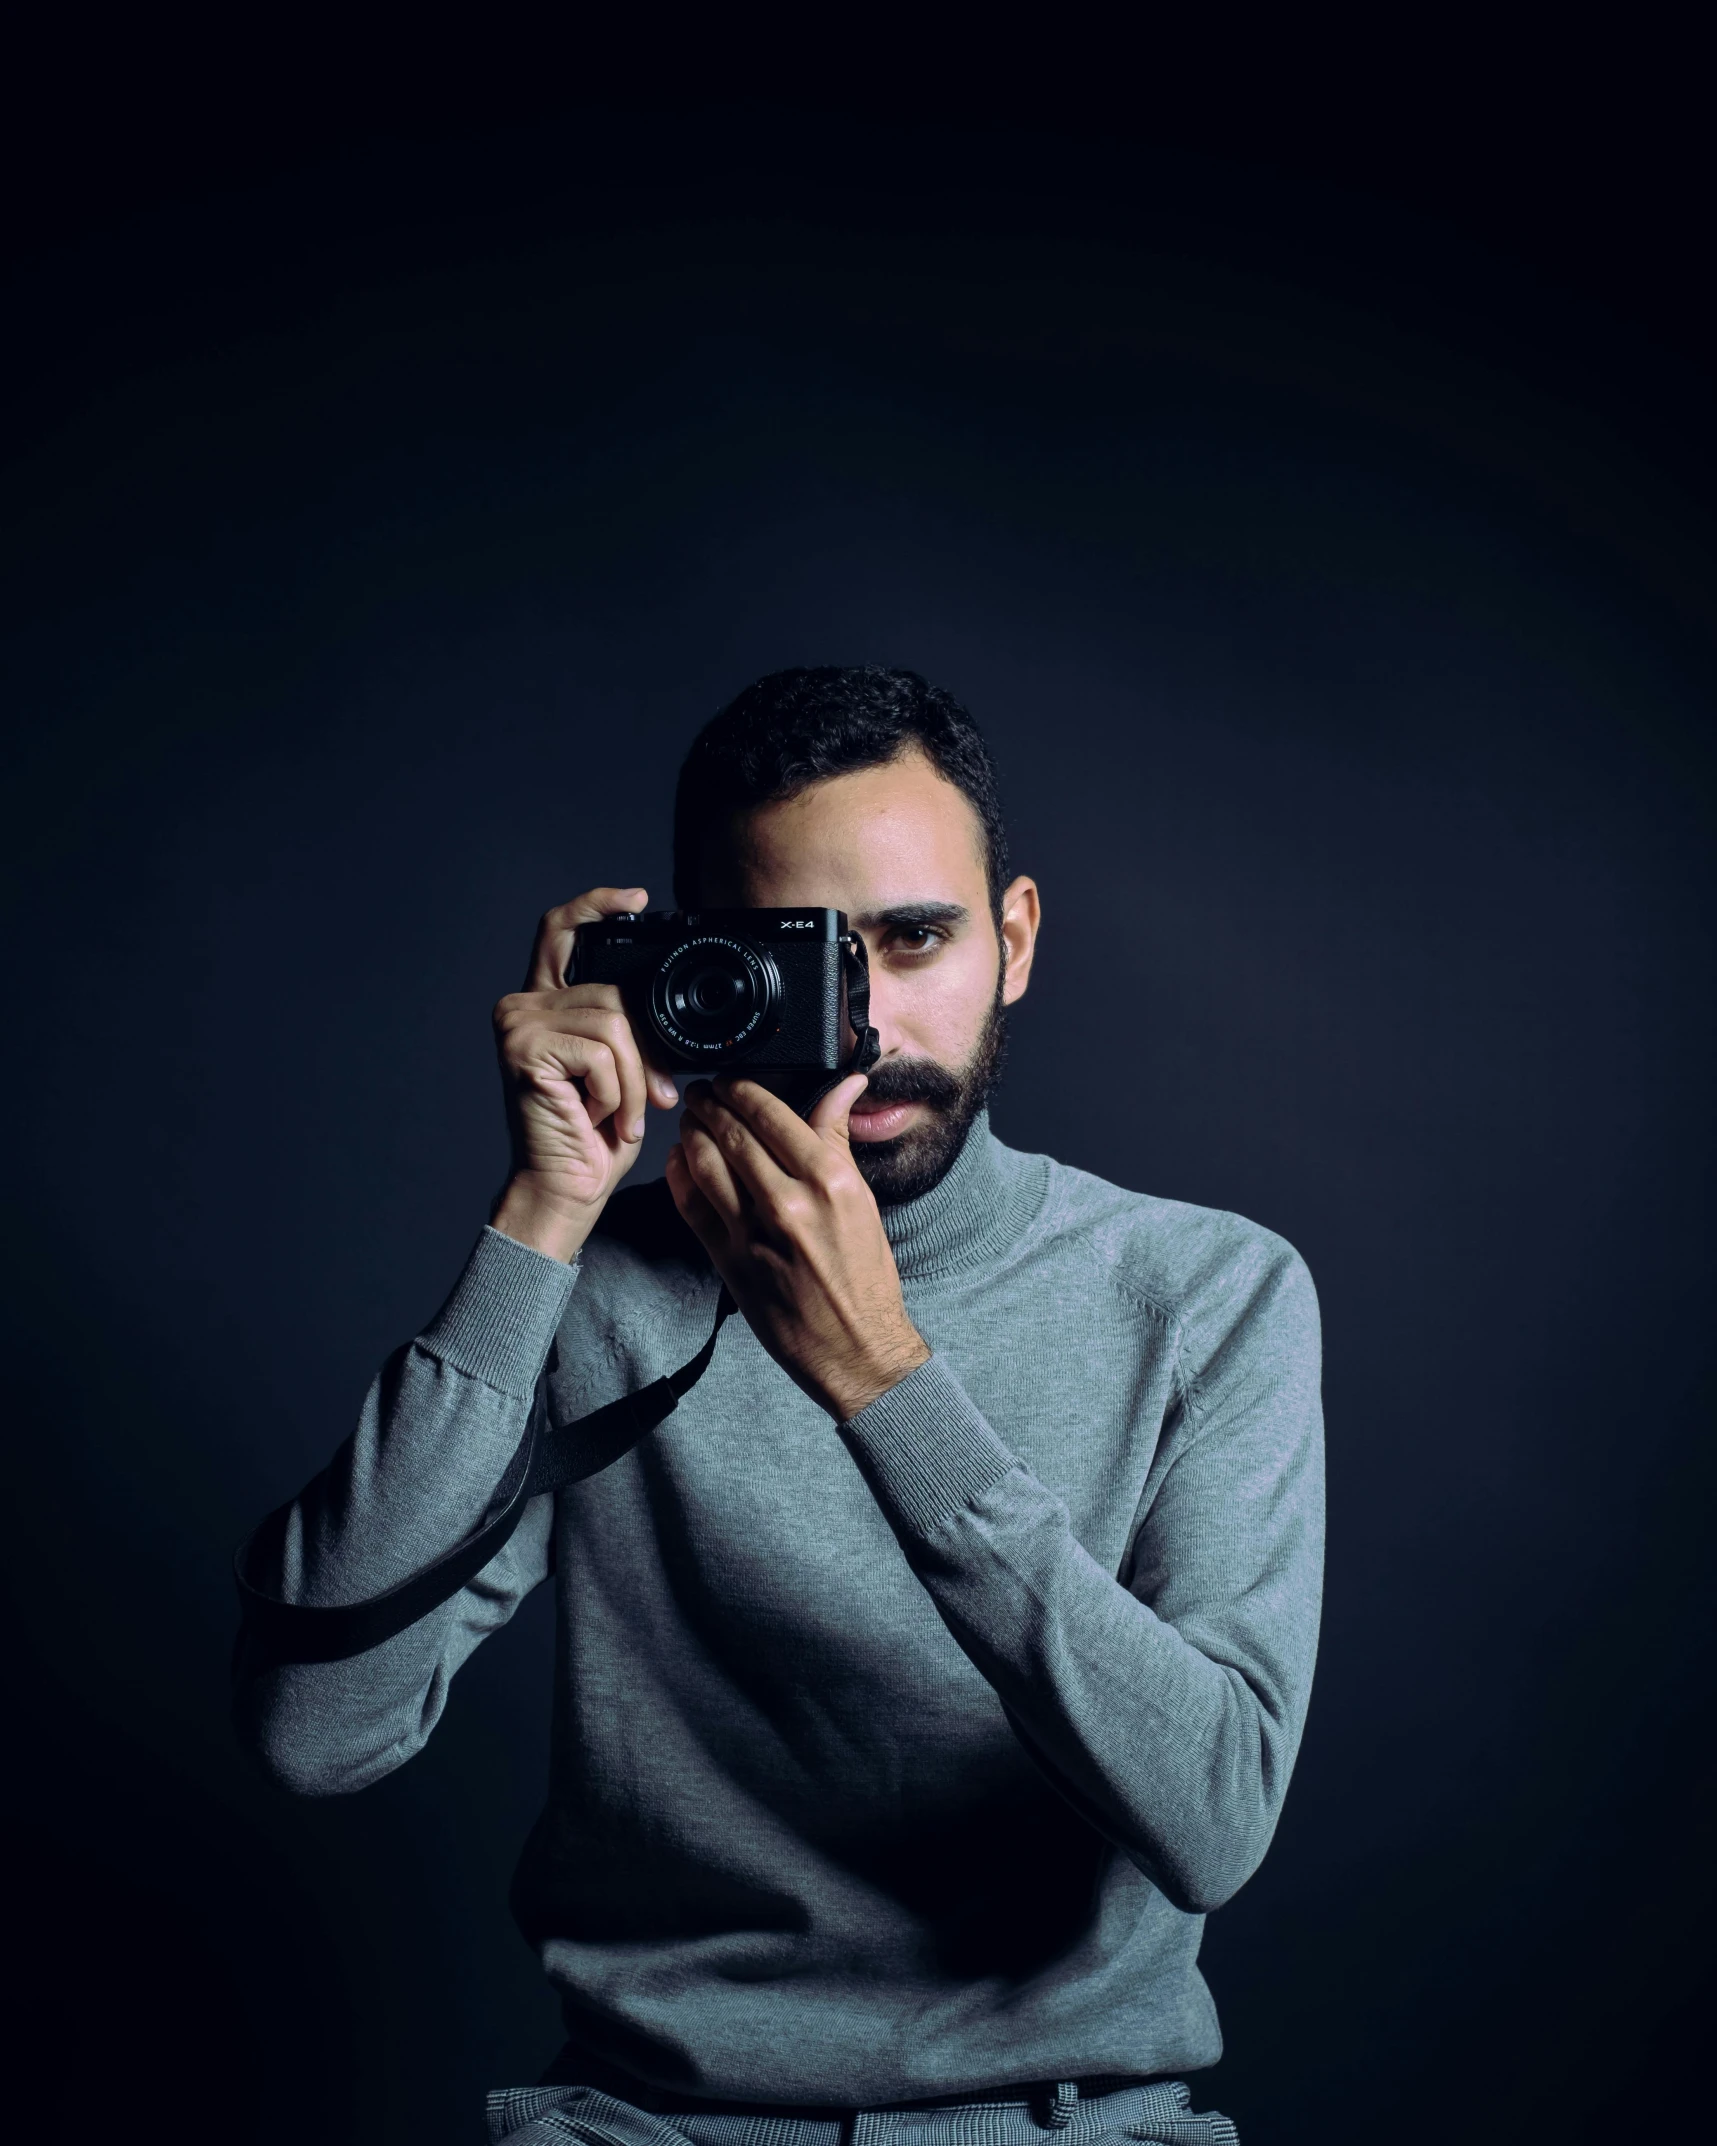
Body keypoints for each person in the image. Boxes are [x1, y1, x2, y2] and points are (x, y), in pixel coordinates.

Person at [235, 667, 1324, 2146]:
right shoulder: (604, 1287)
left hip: (1065, 2125)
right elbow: (316, 1727)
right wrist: (544, 1218)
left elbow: (1212, 1818)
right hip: (656, 2124)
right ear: (689, 962)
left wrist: (887, 1386)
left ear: (1012, 942)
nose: (864, 1022)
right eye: (801, 955)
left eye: (916, 937)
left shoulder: (1212, 1291)